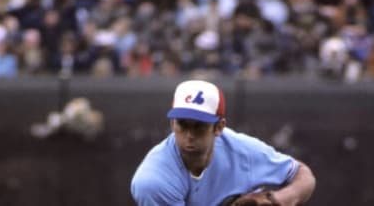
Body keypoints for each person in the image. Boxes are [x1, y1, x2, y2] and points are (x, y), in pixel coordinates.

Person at [131, 80, 316, 206]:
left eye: (199, 126)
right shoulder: (153, 180)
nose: (189, 134)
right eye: (182, 124)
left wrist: (278, 199)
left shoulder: (242, 150)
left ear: (219, 127)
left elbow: (303, 175)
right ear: (172, 123)